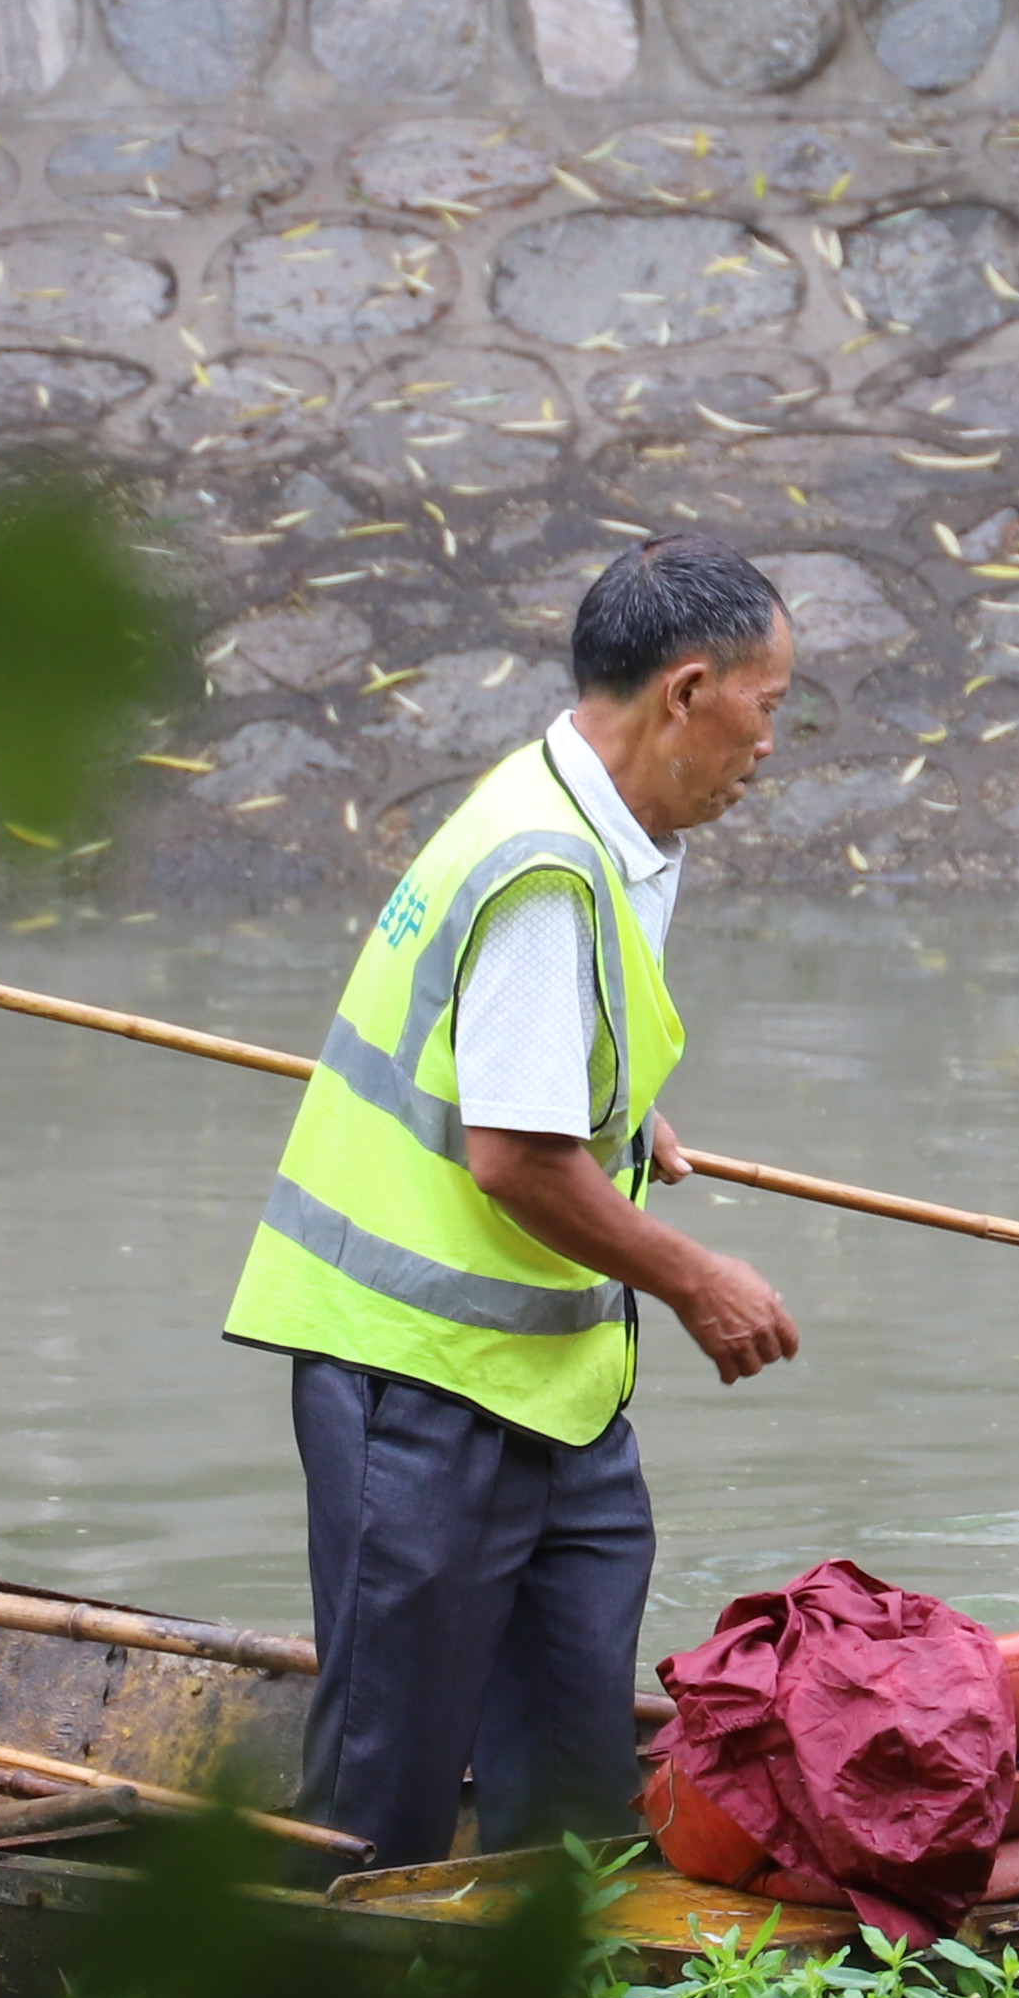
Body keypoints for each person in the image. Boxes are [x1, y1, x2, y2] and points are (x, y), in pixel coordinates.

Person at [222, 537, 806, 1867]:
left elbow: (537, 1070)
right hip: (417, 1371)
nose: (772, 745)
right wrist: (694, 1277)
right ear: (687, 691)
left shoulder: (602, 819)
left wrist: (618, 1105)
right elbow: (516, 1160)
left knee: (574, 1757)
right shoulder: (546, 861)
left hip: (549, 1378)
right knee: (392, 1772)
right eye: (767, 709)